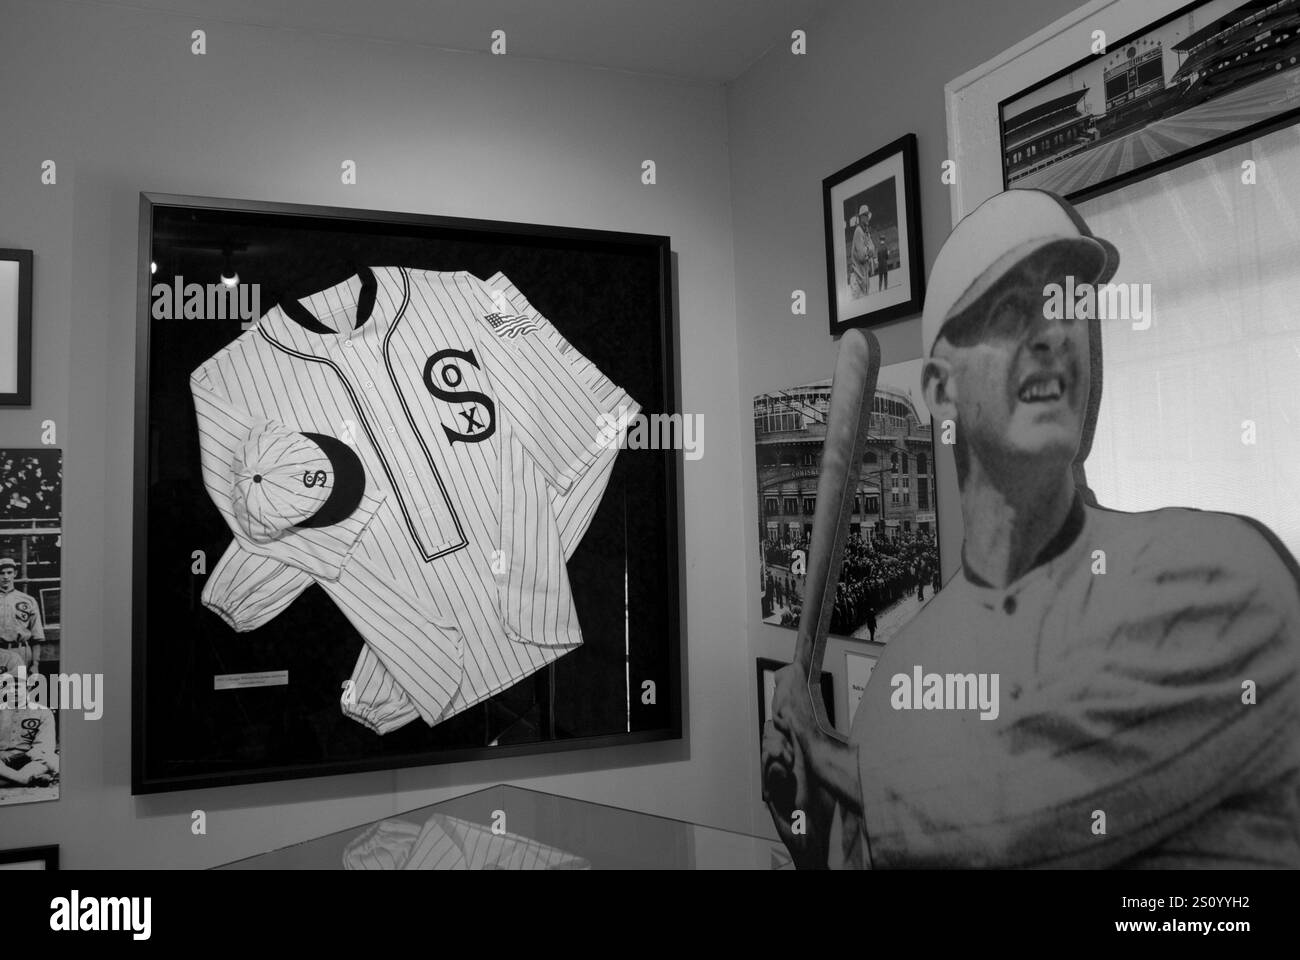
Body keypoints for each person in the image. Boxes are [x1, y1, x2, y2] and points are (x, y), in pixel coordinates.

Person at [763, 188, 1300, 869]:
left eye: (1071, 306)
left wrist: (828, 757)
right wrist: (807, 815)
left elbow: (1011, 821)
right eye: (1013, 311)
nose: (1054, 333)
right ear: (939, 388)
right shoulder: (905, 675)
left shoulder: (1221, 573)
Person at [0, 649, 59, 789]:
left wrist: (25, 757)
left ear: (29, 687)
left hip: (29, 760)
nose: (13, 691)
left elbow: (43, 748)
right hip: (1, 762)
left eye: (18, 686)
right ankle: (24, 780)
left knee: (51, 759)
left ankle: (14, 780)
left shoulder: (43, 713)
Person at [0, 558, 43, 677]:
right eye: (2, 573)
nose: (5, 577)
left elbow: (36, 635)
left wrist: (35, 664)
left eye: (9, 572)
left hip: (21, 650)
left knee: (19, 692)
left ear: (15, 573)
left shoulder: (28, 600)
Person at [849, 205, 877, 299]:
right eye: (865, 215)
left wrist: (868, 250)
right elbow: (861, 256)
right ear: (861, 217)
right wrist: (869, 250)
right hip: (857, 278)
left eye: (868, 215)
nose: (868, 218)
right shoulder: (858, 231)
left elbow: (873, 248)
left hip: (864, 277)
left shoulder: (866, 232)